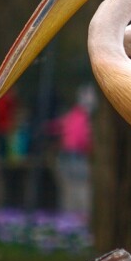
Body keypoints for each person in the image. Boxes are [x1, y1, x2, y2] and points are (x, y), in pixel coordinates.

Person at [51, 85, 95, 217]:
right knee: (80, 186)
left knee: (70, 187)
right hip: (78, 154)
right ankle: (80, 215)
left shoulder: (73, 114)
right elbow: (83, 137)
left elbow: (61, 127)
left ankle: (70, 216)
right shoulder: (84, 117)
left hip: (69, 153)